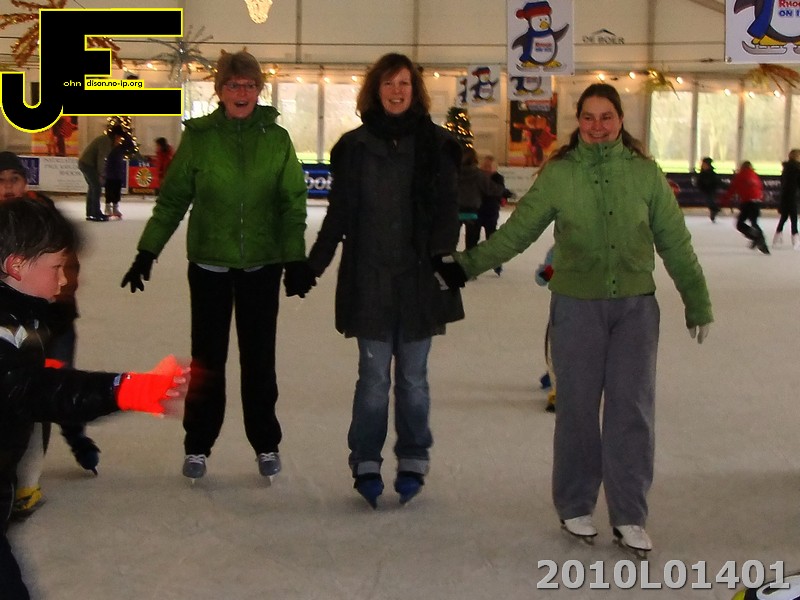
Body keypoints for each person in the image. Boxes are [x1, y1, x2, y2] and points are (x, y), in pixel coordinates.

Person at [433, 83, 713, 554]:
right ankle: (575, 505)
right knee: (578, 410)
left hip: (635, 311)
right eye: (588, 117)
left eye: (606, 117)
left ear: (620, 120)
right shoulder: (560, 175)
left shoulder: (645, 174)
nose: (597, 126)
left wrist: (697, 298)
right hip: (576, 307)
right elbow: (519, 232)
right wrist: (466, 265)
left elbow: (674, 241)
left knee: (632, 412)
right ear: (578, 121)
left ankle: (630, 514)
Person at [121, 50, 309, 483]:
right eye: (233, 85)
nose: (241, 92)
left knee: (259, 361)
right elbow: (172, 201)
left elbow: (292, 203)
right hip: (209, 266)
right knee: (208, 361)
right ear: (219, 90)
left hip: (262, 265)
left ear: (259, 90)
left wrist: (295, 257)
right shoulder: (200, 138)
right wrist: (148, 251)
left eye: (249, 85)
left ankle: (266, 442)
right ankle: (198, 445)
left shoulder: (276, 139)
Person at [0, 195, 188, 599]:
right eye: (56, 268)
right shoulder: (5, 334)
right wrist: (128, 388)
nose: (65, 281)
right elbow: (41, 390)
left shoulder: (25, 317)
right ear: (16, 266)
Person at [299, 52, 463, 508]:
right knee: (372, 378)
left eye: (404, 83)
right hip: (369, 279)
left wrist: (443, 256)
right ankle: (366, 460)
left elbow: (447, 211)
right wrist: (313, 265)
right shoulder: (354, 148)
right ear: (376, 90)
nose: (396, 91)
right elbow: (339, 216)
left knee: (413, 378)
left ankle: (413, 457)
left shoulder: (437, 146)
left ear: (415, 91)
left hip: (418, 282)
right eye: (388, 83)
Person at [0, 152, 101, 522]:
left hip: (51, 326)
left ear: (25, 182)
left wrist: (55, 309)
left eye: (14, 179)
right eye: (1, 180)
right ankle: (23, 482)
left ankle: (75, 439)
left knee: (54, 391)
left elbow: (66, 267)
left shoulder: (43, 218)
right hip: (9, 330)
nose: (8, 187)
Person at [457, 146, 504, 252]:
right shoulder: (478, 174)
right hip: (472, 211)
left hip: (456, 209)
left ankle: (449, 257)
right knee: (472, 239)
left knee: (452, 239)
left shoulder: (455, 173)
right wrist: (503, 191)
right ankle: (470, 256)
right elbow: (491, 189)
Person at [78, 125, 124, 222]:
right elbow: (101, 159)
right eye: (120, 138)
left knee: (93, 187)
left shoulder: (106, 140)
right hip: (88, 164)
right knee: (96, 187)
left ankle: (90, 212)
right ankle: (96, 213)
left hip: (85, 163)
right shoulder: (106, 142)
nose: (120, 140)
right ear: (116, 136)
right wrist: (101, 174)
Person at [722, 160, 768, 254]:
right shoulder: (755, 175)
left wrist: (724, 200)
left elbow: (732, 189)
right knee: (754, 222)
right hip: (757, 202)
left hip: (747, 202)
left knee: (740, 224)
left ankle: (758, 238)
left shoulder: (740, 176)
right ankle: (759, 239)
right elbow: (760, 188)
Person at [479, 154, 514, 275]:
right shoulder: (478, 176)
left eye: (489, 166)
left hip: (491, 212)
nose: (487, 169)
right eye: (485, 166)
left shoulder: (498, 178)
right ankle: (469, 264)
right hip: (477, 211)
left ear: (495, 168)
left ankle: (496, 263)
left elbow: (499, 190)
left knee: (492, 239)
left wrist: (505, 195)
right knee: (472, 239)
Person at [774, 149, 800, 249]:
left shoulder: (786, 168)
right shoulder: (797, 168)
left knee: (784, 217)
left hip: (785, 196)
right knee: (794, 218)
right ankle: (795, 239)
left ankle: (777, 236)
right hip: (794, 196)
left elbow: (783, 181)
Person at [103, 130, 128, 220]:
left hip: (118, 174)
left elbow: (130, 145)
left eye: (120, 138)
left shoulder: (121, 148)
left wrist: (125, 134)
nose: (119, 139)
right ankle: (107, 207)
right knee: (109, 191)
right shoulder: (108, 147)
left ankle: (115, 208)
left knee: (117, 191)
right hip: (110, 173)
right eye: (117, 138)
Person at [695, 157, 721, 222]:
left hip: (710, 189)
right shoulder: (703, 172)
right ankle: (714, 210)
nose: (703, 165)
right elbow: (700, 180)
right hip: (705, 189)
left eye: (704, 164)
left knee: (710, 200)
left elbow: (715, 181)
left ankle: (715, 210)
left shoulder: (711, 173)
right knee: (709, 200)